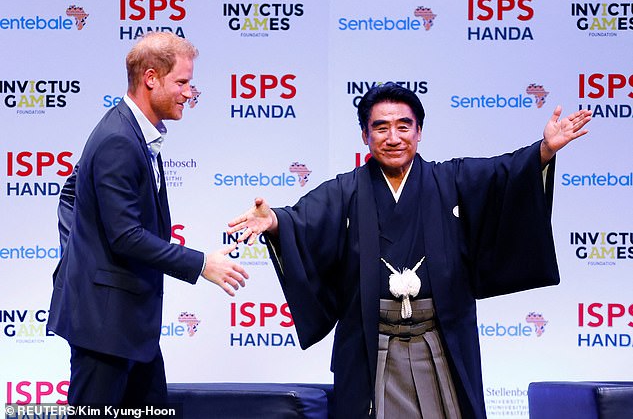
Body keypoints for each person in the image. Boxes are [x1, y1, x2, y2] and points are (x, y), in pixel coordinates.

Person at [228, 82, 591, 419]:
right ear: (365, 135)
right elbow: (302, 221)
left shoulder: (450, 180)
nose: (393, 137)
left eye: (404, 126)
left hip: (440, 337)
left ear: (419, 131)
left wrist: (543, 151)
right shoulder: (345, 191)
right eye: (381, 128)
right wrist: (273, 221)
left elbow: (502, 174)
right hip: (373, 342)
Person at [47, 32, 249, 407]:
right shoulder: (118, 139)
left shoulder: (129, 130)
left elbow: (73, 192)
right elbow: (126, 237)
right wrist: (202, 263)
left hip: (125, 322)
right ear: (151, 77)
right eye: (183, 82)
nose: (190, 93)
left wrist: (82, 253)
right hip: (103, 325)